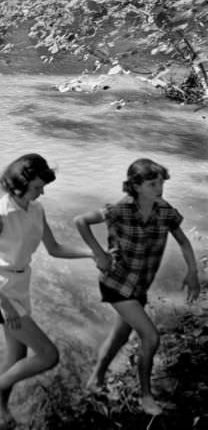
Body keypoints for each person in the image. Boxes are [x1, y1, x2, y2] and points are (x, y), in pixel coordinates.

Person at [0, 154, 94, 427]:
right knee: (49, 355)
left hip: (20, 283)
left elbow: (55, 249)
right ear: (21, 184)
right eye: (39, 185)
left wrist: (92, 255)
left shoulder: (36, 209)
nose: (43, 191)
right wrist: (4, 303)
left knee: (18, 357)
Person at [74, 158, 200, 416]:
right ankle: (146, 396)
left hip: (139, 286)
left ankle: (95, 379)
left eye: (161, 182)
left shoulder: (165, 210)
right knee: (151, 336)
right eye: (153, 184)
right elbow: (80, 221)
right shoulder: (119, 210)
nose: (159, 188)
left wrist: (193, 273)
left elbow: (184, 243)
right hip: (116, 282)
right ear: (136, 185)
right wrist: (98, 253)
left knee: (120, 335)